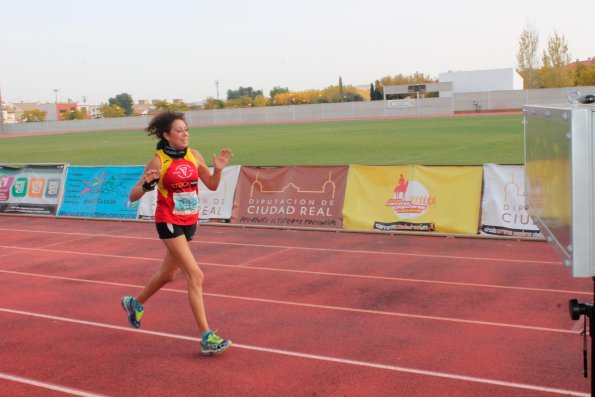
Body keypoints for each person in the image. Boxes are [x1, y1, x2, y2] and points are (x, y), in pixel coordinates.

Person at [121, 111, 232, 356]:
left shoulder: (194, 155)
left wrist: (219, 169)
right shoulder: (158, 161)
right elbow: (133, 195)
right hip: (168, 221)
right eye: (179, 130)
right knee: (196, 275)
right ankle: (207, 337)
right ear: (167, 135)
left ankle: (134, 303)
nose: (185, 134)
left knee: (168, 275)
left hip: (190, 221)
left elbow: (212, 185)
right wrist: (148, 185)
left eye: (186, 130)